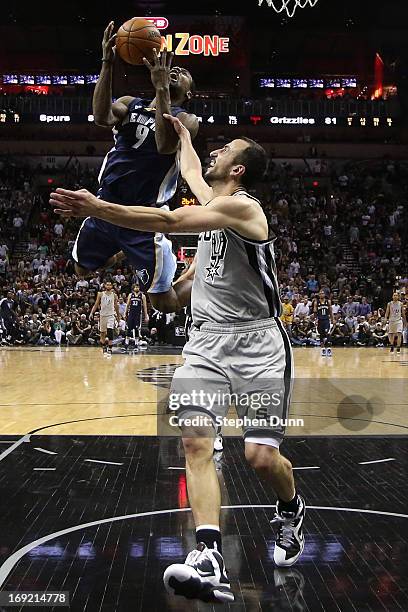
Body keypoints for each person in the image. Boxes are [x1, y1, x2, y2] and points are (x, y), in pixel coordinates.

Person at [51, 115, 306, 603]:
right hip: (206, 343)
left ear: (239, 172)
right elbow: (175, 299)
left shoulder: (243, 210)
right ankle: (208, 554)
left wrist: (98, 208)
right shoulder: (214, 217)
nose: (214, 155)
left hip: (258, 347)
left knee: (260, 456)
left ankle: (290, 509)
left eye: (224, 151)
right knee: (194, 441)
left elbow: (169, 218)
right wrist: (161, 277)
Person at [72, 22, 198, 310]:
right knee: (81, 270)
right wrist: (107, 62)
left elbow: (165, 145)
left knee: (164, 303)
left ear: (189, 94)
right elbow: (101, 116)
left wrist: (162, 88)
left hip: (144, 217)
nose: (177, 70)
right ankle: (119, 252)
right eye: (175, 69)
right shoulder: (131, 104)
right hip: (105, 206)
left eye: (185, 74)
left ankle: (201, 270)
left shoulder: (188, 120)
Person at [89, 281, 121, 354]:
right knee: (102, 334)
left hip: (111, 315)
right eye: (107, 285)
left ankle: (110, 348)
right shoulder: (100, 294)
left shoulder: (114, 295)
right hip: (102, 315)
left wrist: (118, 317)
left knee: (110, 331)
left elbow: (116, 306)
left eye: (110, 285)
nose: (109, 286)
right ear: (105, 286)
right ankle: (104, 346)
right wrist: (91, 313)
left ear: (112, 286)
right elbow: (96, 304)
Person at [124, 284, 149, 350]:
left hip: (138, 314)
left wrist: (146, 316)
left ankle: (136, 343)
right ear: (133, 288)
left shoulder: (142, 296)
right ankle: (126, 343)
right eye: (135, 287)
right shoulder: (130, 295)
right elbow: (127, 305)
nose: (136, 288)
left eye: (138, 287)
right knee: (129, 328)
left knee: (137, 329)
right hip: (131, 314)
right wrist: (125, 313)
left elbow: (145, 306)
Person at [313, 290, 334, 357]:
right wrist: (315, 320)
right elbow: (315, 312)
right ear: (319, 295)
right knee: (321, 334)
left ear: (324, 294)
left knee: (327, 333)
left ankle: (329, 349)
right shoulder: (316, 302)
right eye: (320, 294)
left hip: (326, 320)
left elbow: (330, 311)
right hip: (320, 320)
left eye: (322, 293)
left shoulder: (328, 302)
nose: (321, 295)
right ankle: (323, 350)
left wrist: (333, 319)